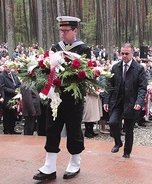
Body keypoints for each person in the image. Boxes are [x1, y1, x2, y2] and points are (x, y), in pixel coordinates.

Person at [33, 16, 91, 181]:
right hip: (55, 97)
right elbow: (48, 69)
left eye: (66, 31)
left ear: (75, 31)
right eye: (61, 31)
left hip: (73, 98)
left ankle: (75, 163)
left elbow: (84, 72)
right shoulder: (55, 47)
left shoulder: (83, 49)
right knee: (51, 129)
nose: (63, 34)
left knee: (73, 130)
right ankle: (49, 166)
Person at [103, 43, 147, 158]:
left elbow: (142, 87)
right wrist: (106, 101)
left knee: (128, 129)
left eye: (126, 53)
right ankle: (118, 142)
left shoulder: (139, 69)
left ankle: (127, 152)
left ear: (132, 53)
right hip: (117, 101)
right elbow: (109, 85)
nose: (124, 56)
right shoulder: (116, 67)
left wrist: (139, 102)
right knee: (112, 122)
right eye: (122, 53)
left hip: (131, 102)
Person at [0, 61, 21, 134]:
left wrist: (18, 89)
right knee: (7, 115)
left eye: (8, 66)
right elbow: (2, 87)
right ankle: (6, 130)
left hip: (15, 97)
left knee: (13, 114)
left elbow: (18, 83)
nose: (7, 68)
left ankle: (12, 129)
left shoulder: (14, 74)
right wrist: (13, 91)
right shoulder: (1, 75)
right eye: (6, 66)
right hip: (7, 97)